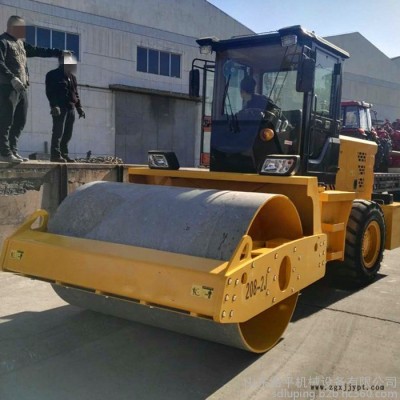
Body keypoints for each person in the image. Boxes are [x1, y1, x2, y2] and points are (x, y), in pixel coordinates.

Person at [0, 15, 67, 163]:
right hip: (8, 87)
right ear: (12, 27)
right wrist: (12, 78)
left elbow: (38, 50)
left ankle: (13, 150)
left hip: (22, 88)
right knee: (6, 120)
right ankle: (4, 152)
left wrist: (58, 52)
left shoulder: (21, 44)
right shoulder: (3, 41)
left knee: (20, 121)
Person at [45, 54, 85, 162]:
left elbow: (76, 94)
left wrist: (79, 107)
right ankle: (55, 155)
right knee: (58, 132)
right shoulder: (52, 74)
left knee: (68, 133)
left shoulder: (72, 77)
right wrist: (54, 105)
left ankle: (64, 153)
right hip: (59, 108)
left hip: (71, 108)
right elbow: (50, 92)